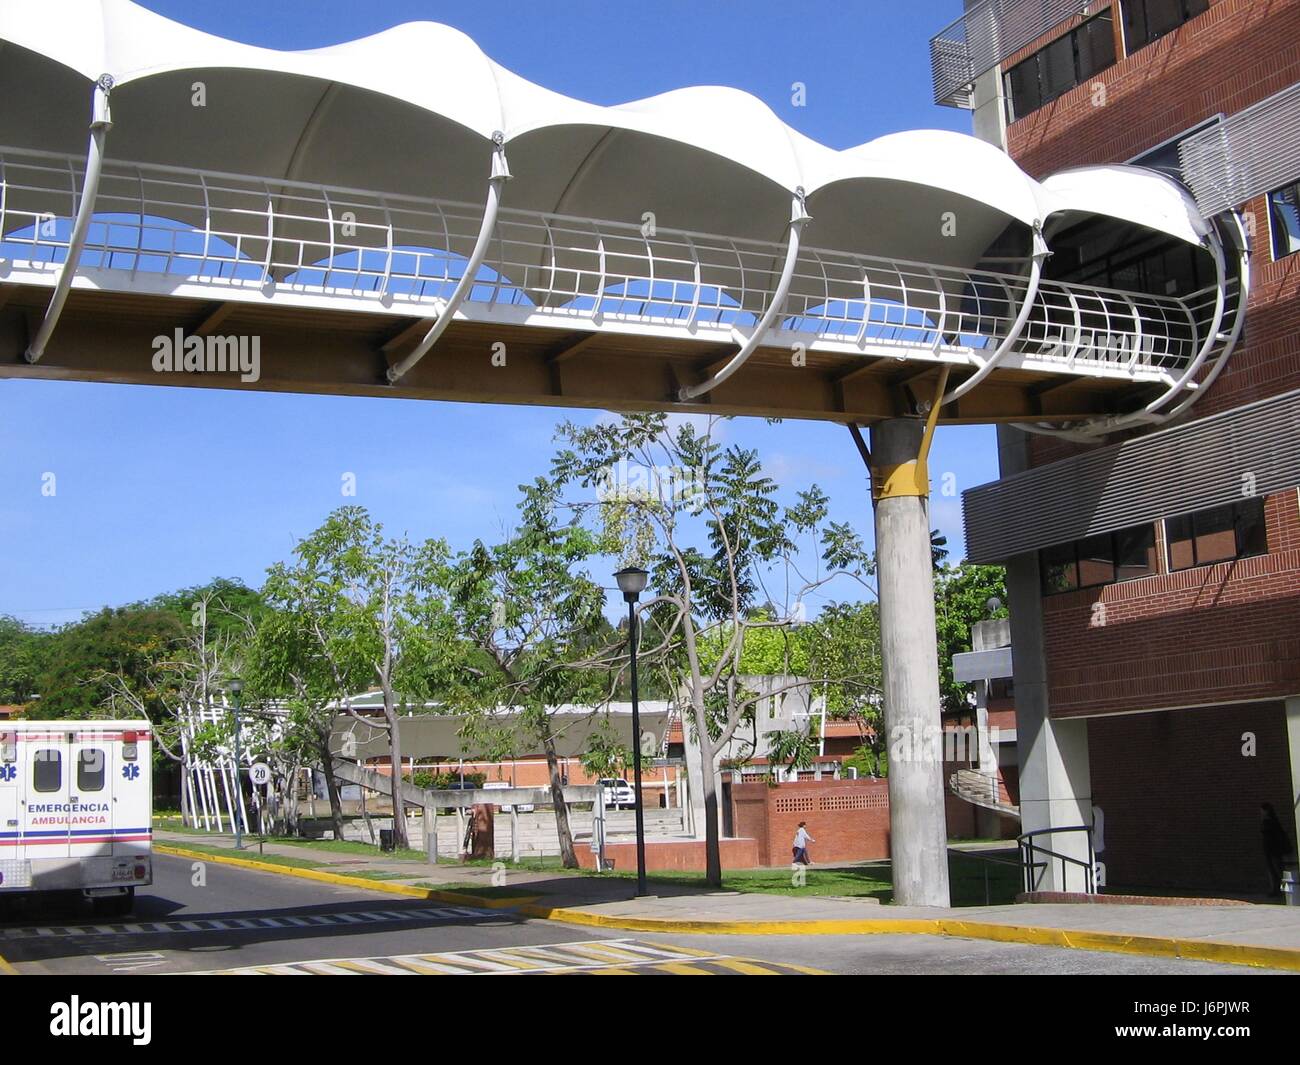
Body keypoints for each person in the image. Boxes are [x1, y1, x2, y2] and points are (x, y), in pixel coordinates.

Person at [1260, 802, 1292, 898]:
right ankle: (1280, 890)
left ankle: (1278, 890)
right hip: (1274, 851)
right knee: (1277, 871)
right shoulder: (1274, 821)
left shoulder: (1268, 822)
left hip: (1272, 851)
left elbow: (1268, 837)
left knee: (1275, 872)